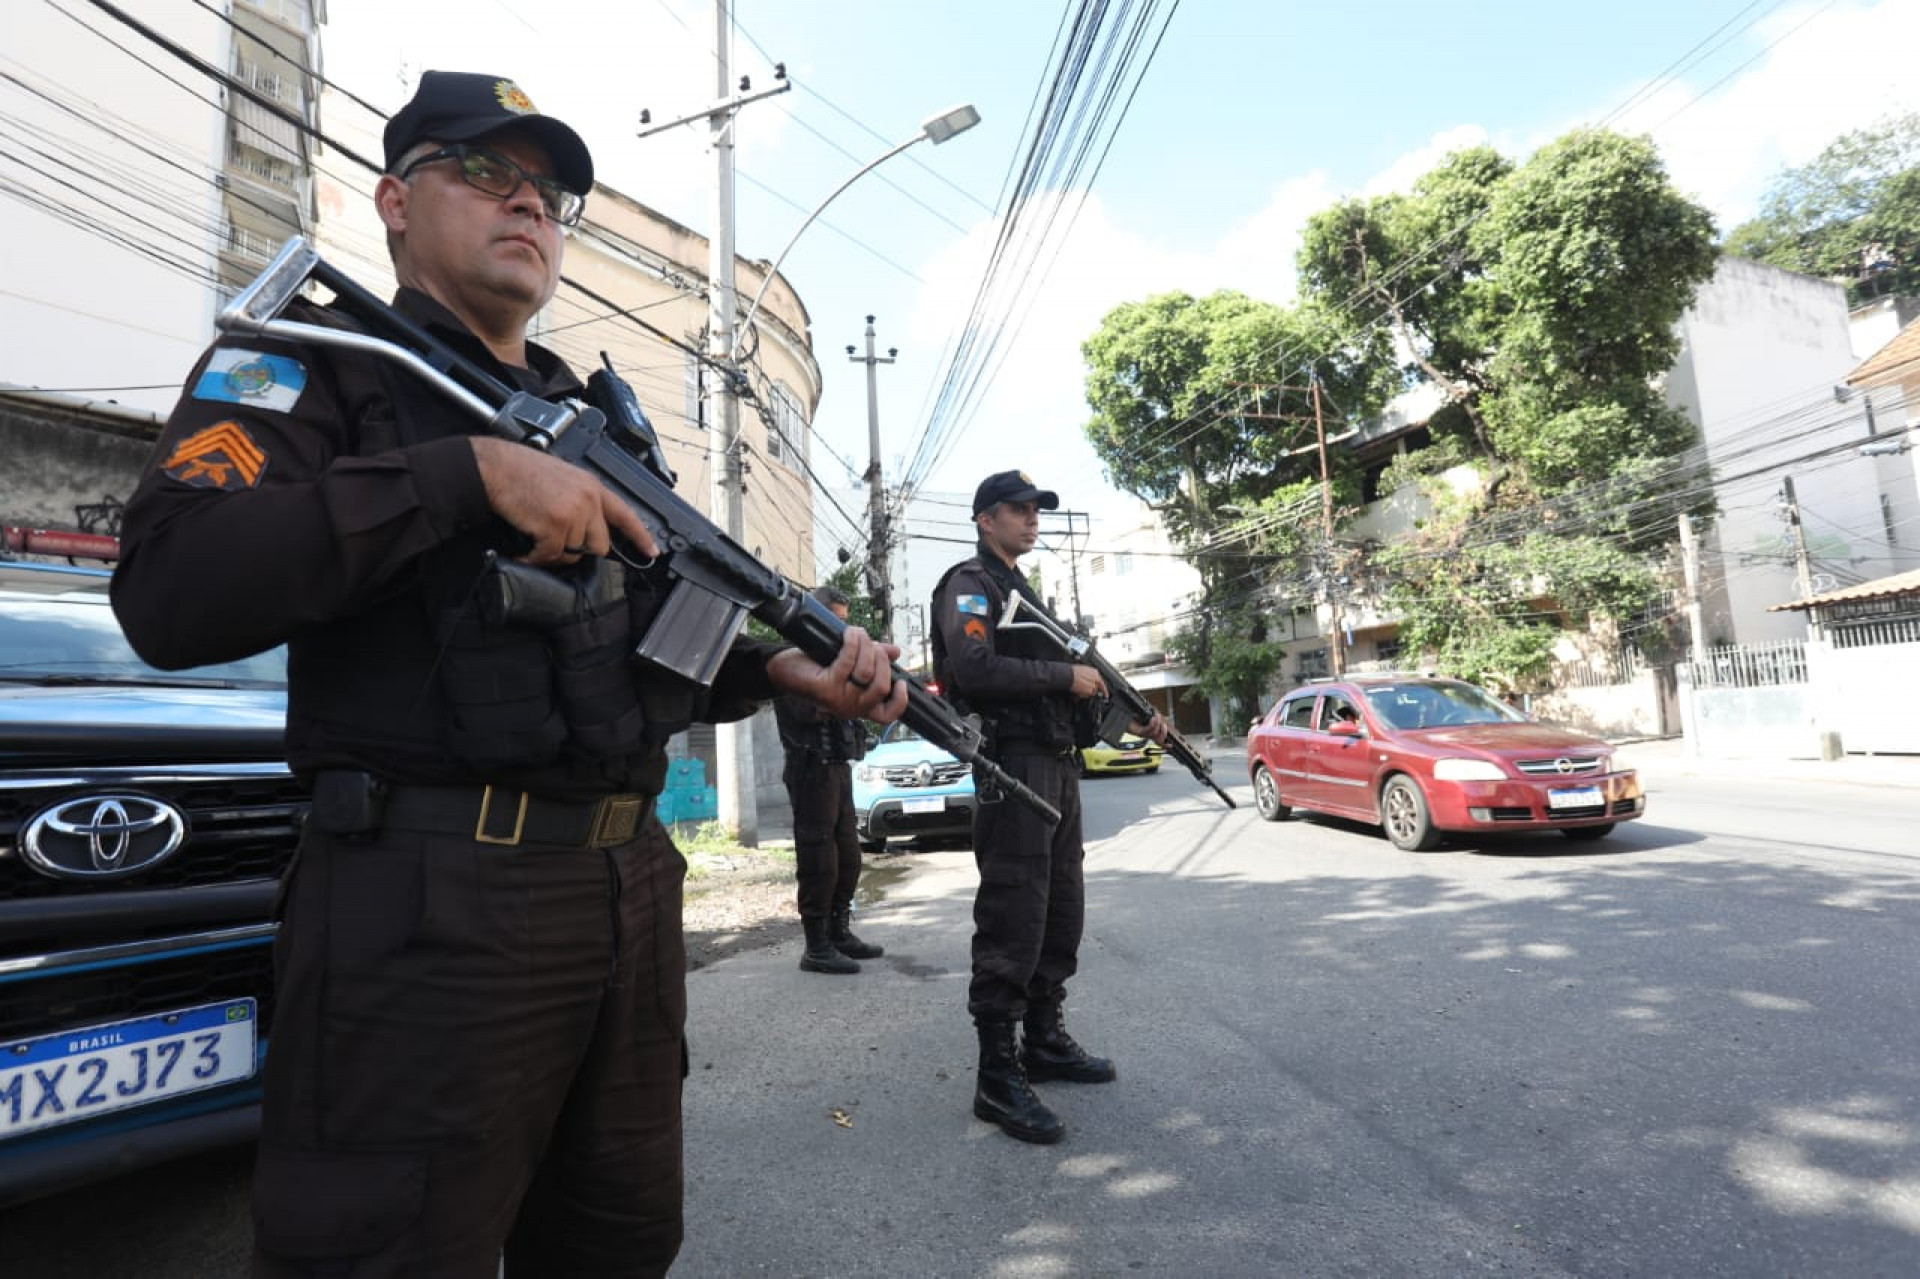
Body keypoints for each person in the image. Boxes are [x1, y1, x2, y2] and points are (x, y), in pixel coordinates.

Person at [110, 70, 905, 1278]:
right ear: (395, 200)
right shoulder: (316, 361)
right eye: (487, 173)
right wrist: (463, 479)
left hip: (628, 891)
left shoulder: (600, 424)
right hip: (427, 906)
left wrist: (785, 667)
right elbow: (170, 587)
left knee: (619, 1244)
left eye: (550, 193)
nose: (529, 205)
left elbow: (649, 647)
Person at [930, 470, 1167, 1144]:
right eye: (1018, 509)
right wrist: (1066, 675)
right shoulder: (970, 583)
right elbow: (973, 668)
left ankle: (1043, 1039)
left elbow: (1071, 686)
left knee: (1060, 909)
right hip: (1013, 766)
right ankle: (996, 1077)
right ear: (985, 519)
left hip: (1058, 765)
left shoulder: (1027, 595)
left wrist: (1130, 715)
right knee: (1014, 910)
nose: (1031, 518)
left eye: (1036, 510)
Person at [774, 583, 884, 974]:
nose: (841, 631)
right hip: (810, 767)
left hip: (837, 767)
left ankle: (839, 932)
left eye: (844, 623)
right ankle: (816, 945)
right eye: (835, 622)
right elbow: (812, 710)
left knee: (848, 856)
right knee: (818, 857)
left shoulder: (831, 661)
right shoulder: (794, 660)